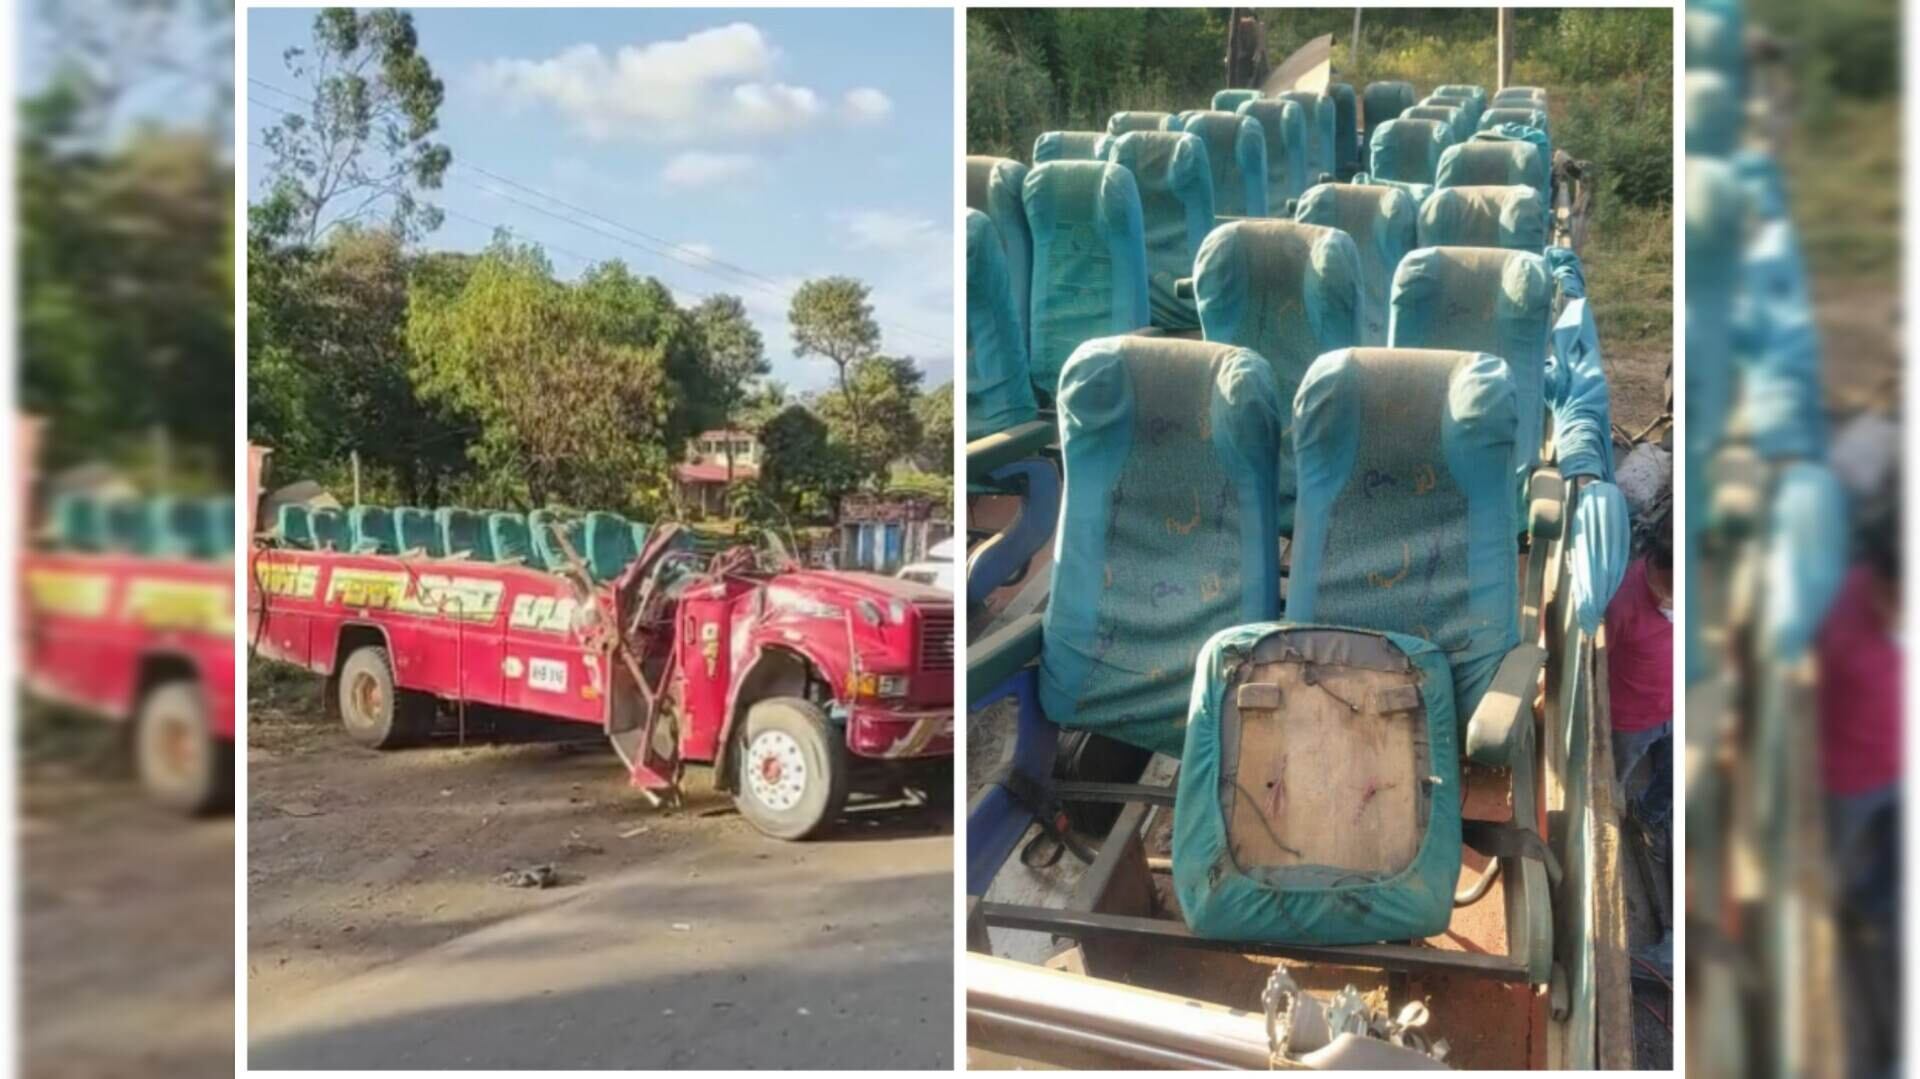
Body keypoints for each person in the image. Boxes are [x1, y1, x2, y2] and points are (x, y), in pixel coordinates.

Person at [1816, 508, 1901, 1079]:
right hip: (1846, 780)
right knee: (1837, 875)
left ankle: (1872, 911)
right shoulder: (1840, 610)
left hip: (1898, 778)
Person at [1606, 519, 1674, 843]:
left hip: (1675, 709)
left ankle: (1648, 812)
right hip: (1630, 722)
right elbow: (1598, 662)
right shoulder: (1622, 604)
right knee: (1613, 774)